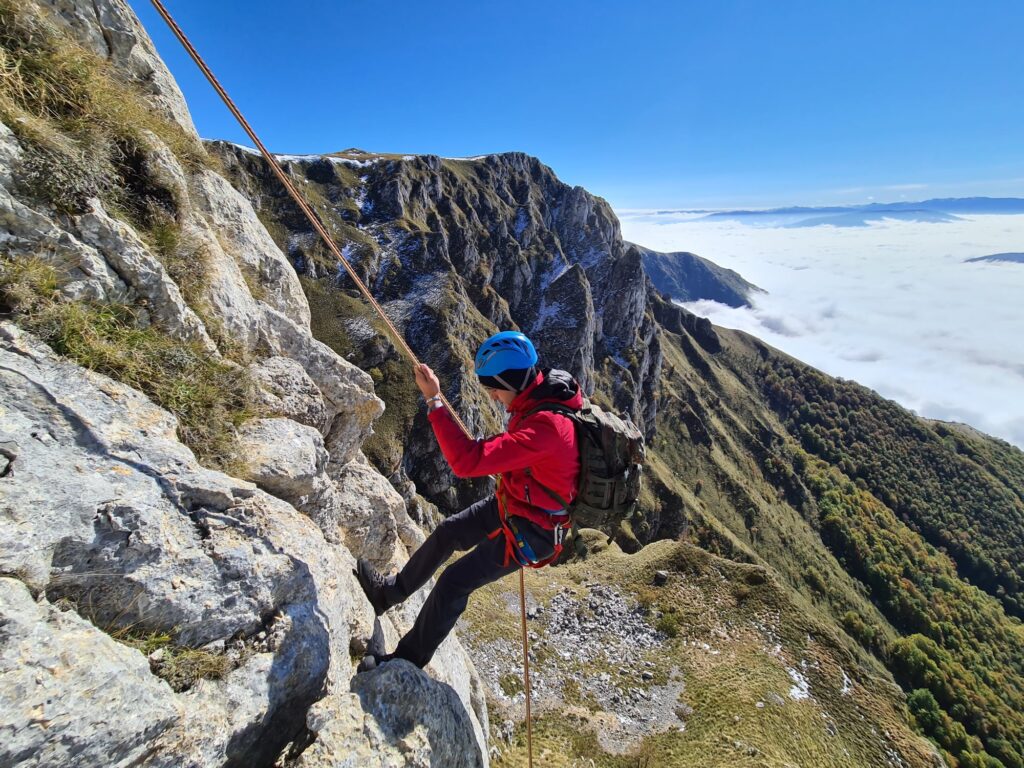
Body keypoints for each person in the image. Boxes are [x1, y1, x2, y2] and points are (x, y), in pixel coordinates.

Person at [355, 330, 583, 670]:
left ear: (515, 379)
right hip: (516, 503)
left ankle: (406, 660)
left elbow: (465, 463)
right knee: (448, 532)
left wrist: (435, 401)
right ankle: (387, 594)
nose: (492, 396)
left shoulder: (546, 428)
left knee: (454, 582)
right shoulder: (540, 394)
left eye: (495, 387)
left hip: (532, 530)